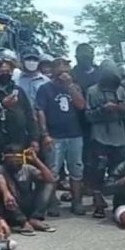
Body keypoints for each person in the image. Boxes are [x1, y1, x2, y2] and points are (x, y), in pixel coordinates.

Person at [36, 57, 86, 215]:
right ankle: (52, 204)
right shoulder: (45, 88)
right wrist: (45, 134)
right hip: (54, 135)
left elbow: (81, 105)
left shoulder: (74, 86)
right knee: (53, 170)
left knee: (76, 169)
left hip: (74, 135)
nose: (62, 69)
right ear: (52, 70)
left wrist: (70, 85)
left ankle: (77, 202)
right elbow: (40, 111)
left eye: (65, 66)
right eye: (58, 66)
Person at [85, 60, 125, 218]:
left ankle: (119, 203)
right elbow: (88, 116)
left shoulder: (121, 90)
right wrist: (102, 110)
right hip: (99, 136)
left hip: (119, 136)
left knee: (118, 171)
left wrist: (120, 108)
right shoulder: (92, 91)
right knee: (98, 170)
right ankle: (98, 203)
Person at [0, 51, 39, 165]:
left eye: (8, 71)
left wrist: (34, 139)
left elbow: (29, 115)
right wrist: (1, 105)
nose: (5, 74)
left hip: (19, 142)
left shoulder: (18, 90)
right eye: (2, 71)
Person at [0, 144, 57, 234]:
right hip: (9, 206)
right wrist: (6, 193)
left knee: (48, 184)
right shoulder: (0, 168)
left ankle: (35, 218)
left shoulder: (27, 168)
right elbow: (1, 181)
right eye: (11, 159)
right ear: (4, 158)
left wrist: (36, 160)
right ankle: (22, 222)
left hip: (26, 203)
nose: (14, 161)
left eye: (17, 158)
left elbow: (50, 179)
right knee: (7, 195)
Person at [14, 47, 49, 111]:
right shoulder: (15, 79)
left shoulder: (46, 81)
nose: (31, 62)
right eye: (28, 59)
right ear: (22, 60)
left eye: (35, 59)